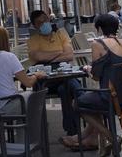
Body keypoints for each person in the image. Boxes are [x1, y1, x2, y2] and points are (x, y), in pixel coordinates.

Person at [69, 14, 122, 156]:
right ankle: (100, 143)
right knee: (92, 100)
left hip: (111, 98)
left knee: (77, 103)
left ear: (99, 29)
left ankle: (112, 137)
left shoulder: (98, 44)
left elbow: (97, 77)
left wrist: (88, 69)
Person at [26, 10, 82, 139]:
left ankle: (72, 131)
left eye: (46, 20)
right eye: (40, 23)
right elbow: (36, 56)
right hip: (46, 82)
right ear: (35, 26)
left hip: (63, 77)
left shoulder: (61, 34)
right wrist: (59, 52)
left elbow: (69, 55)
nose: (44, 24)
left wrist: (47, 58)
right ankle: (86, 111)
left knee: (66, 88)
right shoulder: (33, 40)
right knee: (72, 86)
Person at [0, 27, 46, 114]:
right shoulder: (9, 57)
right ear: (5, 40)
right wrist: (36, 75)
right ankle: (25, 127)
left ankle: (19, 126)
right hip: (8, 103)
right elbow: (28, 83)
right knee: (33, 96)